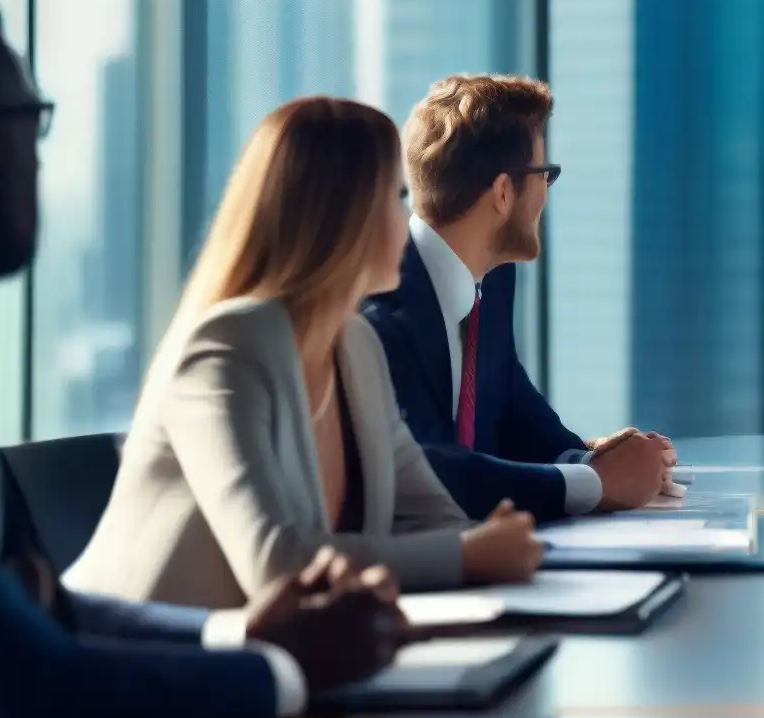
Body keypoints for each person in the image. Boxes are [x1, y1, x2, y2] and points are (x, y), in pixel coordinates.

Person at [0, 0, 402, 718]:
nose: (38, 152)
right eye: (31, 122)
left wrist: (238, 635)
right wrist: (279, 670)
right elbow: (22, 689)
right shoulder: (231, 343)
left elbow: (50, 611)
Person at [67, 97, 544, 610]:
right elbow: (276, 563)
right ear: (345, 215)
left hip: (282, 669)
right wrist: (467, 556)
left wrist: (474, 547)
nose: (407, 218)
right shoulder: (226, 348)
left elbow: (434, 520)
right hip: (135, 674)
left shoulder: (357, 348)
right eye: (397, 196)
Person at [362, 75, 674, 521]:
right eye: (544, 174)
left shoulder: (490, 278)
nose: (547, 191)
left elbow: (512, 410)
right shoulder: (384, 303)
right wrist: (597, 484)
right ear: (504, 193)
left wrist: (598, 460)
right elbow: (432, 469)